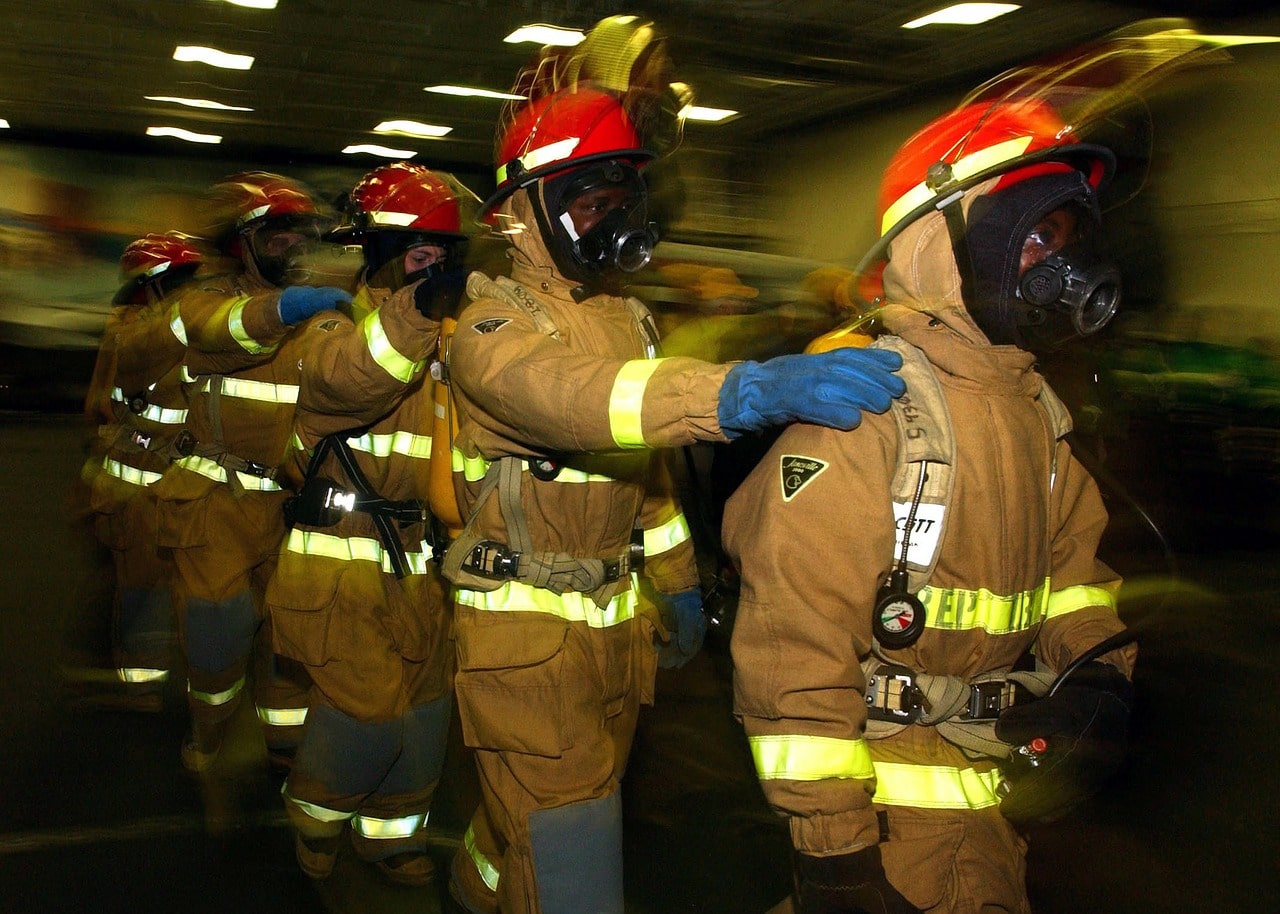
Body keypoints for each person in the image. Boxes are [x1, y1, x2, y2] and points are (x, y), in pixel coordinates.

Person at [440, 81, 906, 914]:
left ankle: (475, 885)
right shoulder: (487, 330)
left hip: (616, 633)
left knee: (546, 817)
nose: (616, 220)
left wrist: (680, 580)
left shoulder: (630, 320)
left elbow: (644, 480)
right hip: (522, 634)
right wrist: (736, 393)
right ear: (523, 213)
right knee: (573, 851)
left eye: (626, 196)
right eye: (590, 200)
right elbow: (569, 396)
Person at [725, 95, 1138, 914]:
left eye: (1068, 238)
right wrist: (836, 857)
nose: (1062, 267)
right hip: (885, 827)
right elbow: (793, 652)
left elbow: (1075, 574)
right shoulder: (869, 420)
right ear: (948, 248)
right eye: (1037, 237)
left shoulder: (1033, 418)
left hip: (987, 811)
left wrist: (1099, 673)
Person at [265, 162, 469, 886]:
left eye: (445, 258)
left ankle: (388, 835)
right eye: (419, 256)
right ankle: (314, 818)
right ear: (378, 255)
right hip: (338, 563)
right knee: (365, 717)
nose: (434, 271)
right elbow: (348, 382)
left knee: (424, 714)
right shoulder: (332, 328)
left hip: (421, 564)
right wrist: (420, 313)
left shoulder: (449, 337)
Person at [148, 172, 352, 777]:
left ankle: (283, 742)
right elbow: (225, 333)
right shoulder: (203, 304)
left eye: (299, 236)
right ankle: (208, 730)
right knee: (219, 630)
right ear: (240, 242)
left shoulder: (320, 314)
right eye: (276, 235)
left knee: (290, 635)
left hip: (293, 505)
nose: (292, 248)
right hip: (216, 499)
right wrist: (285, 309)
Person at [76, 231, 205, 710]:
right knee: (143, 586)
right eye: (181, 280)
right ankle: (142, 682)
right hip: (141, 486)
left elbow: (100, 406)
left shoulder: (160, 326)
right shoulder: (139, 332)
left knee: (153, 586)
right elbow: (104, 404)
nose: (189, 288)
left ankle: (149, 678)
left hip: (156, 484)